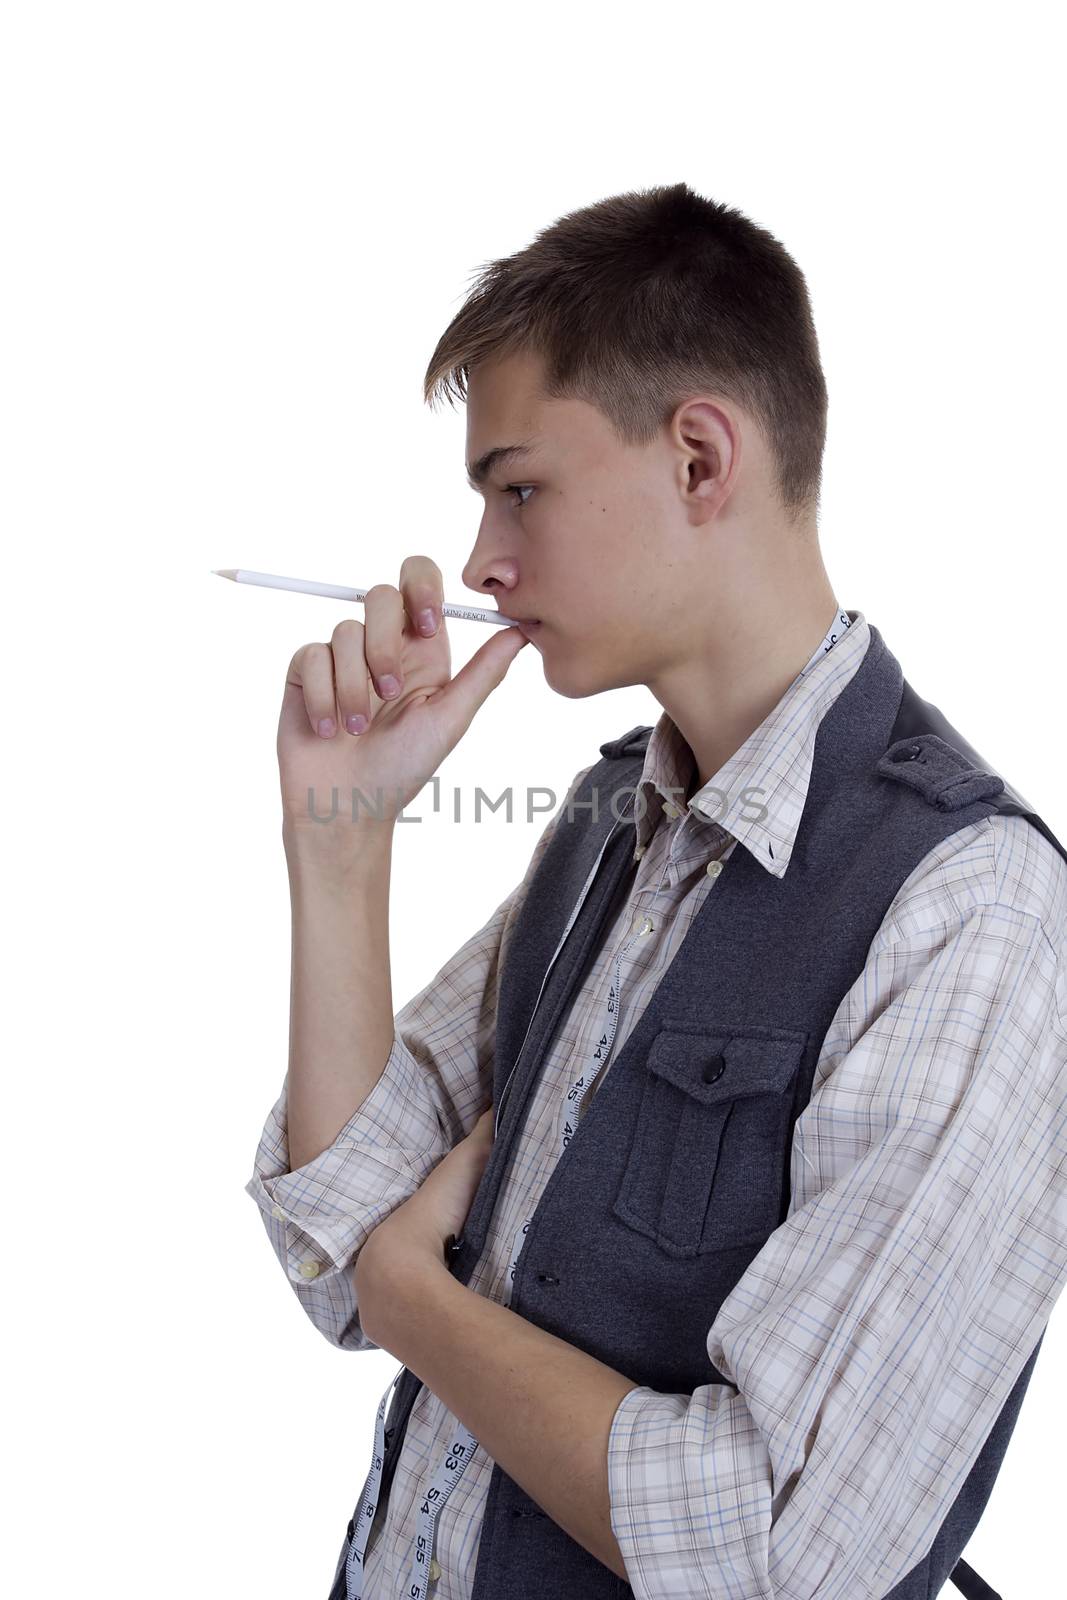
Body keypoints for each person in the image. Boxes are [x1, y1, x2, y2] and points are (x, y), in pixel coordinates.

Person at [245, 181, 1067, 1600]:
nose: (484, 561)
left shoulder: (969, 910)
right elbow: (339, 1231)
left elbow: (780, 1547)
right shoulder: (612, 816)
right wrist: (340, 843)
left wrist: (421, 1305)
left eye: (518, 487)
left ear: (698, 459)